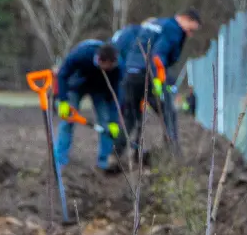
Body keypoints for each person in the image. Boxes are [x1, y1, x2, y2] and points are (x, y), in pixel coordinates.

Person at [112, 10, 201, 155]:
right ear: (185, 19)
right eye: (191, 29)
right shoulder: (173, 28)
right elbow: (158, 56)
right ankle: (172, 154)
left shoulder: (153, 24)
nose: (190, 34)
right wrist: (158, 81)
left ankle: (115, 155)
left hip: (131, 73)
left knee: (130, 117)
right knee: (168, 113)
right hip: (149, 75)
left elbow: (126, 47)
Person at [52, 40, 125, 173]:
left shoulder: (117, 67)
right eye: (109, 66)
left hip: (100, 90)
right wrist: (63, 101)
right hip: (77, 84)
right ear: (102, 61)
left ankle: (104, 163)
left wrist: (113, 121)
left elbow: (116, 95)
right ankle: (59, 161)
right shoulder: (82, 54)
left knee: (105, 123)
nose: (111, 68)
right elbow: (62, 74)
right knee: (67, 121)